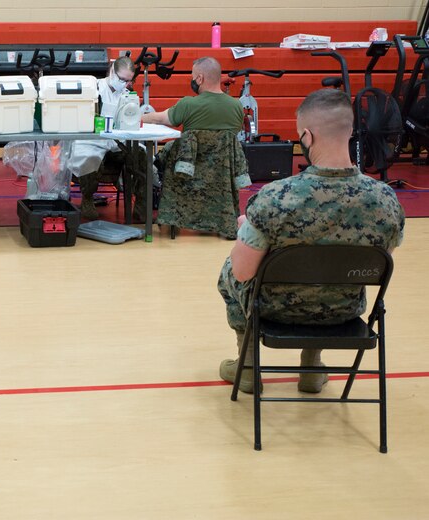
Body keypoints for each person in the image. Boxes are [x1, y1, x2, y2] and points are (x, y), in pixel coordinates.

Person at [217, 89, 405, 394]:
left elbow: (241, 273)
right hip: (343, 311)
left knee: (229, 270)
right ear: (349, 131)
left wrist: (245, 230)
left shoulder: (274, 196)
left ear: (307, 136)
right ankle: (312, 366)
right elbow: (379, 263)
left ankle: (249, 365)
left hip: (274, 309)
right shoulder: (386, 200)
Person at [143, 56, 248, 238]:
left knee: (165, 155)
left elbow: (161, 118)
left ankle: (171, 219)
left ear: (199, 78)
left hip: (188, 172)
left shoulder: (189, 104)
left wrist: (136, 116)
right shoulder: (237, 107)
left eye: (193, 77)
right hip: (221, 174)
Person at [67, 56, 148, 221]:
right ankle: (87, 199)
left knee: (142, 157)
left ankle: (141, 204)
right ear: (112, 71)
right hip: (92, 142)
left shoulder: (128, 95)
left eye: (128, 80)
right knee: (89, 159)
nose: (124, 83)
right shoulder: (93, 89)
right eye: (121, 79)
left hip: (119, 143)